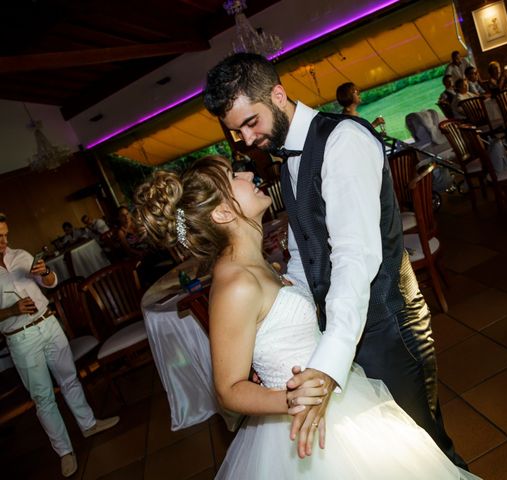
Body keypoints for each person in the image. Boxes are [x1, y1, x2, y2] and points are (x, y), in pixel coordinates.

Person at [134, 158, 478, 479]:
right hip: (305, 420)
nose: (246, 174)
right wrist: (292, 400)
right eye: (232, 177)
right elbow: (228, 390)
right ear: (223, 214)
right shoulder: (235, 284)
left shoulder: (257, 261)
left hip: (336, 391)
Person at [203, 52, 466, 468]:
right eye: (237, 132)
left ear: (277, 94)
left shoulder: (342, 142)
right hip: (342, 332)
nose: (247, 140)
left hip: (387, 328)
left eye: (250, 123)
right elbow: (306, 251)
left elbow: (352, 258)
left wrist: (327, 365)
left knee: (427, 454)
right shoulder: (288, 154)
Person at [0, 213, 119, 478]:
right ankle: (65, 451)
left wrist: (48, 273)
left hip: (49, 324)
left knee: (69, 378)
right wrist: (10, 311)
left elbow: (49, 284)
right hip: (21, 337)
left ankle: (88, 424)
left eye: (6, 234)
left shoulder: (20, 255)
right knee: (43, 397)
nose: (4, 241)